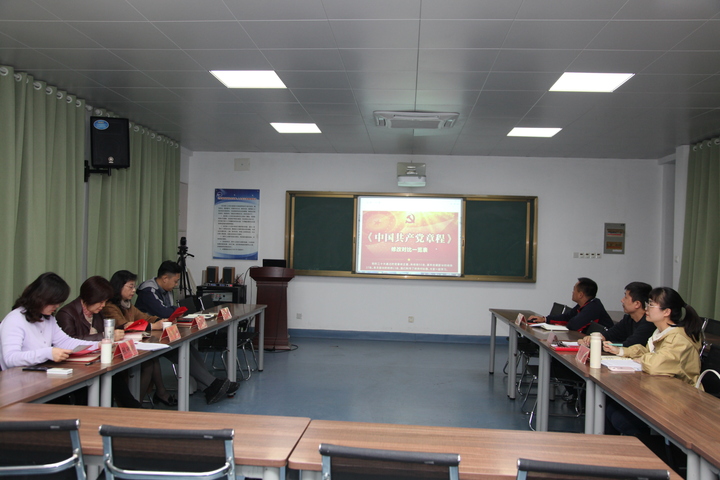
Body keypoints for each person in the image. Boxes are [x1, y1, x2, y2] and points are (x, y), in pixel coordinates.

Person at [107, 268, 239, 404]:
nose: (134, 290)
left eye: (134, 287)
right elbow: (123, 326)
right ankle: (211, 384)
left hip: (139, 343)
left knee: (185, 349)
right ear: (119, 286)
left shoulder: (128, 305)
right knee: (166, 355)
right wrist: (153, 326)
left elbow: (145, 317)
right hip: (121, 351)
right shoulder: (111, 306)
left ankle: (209, 385)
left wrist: (160, 321)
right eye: (130, 287)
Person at [603, 287, 702, 437]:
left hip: (679, 402)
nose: (646, 308)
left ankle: (650, 448)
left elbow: (656, 364)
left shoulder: (679, 339)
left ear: (666, 311)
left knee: (620, 418)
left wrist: (641, 359)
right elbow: (646, 351)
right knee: (612, 408)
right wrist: (621, 351)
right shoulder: (660, 332)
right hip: (661, 394)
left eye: (651, 304)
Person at [56, 276, 147, 409]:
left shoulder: (96, 312)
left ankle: (130, 408)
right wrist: (104, 336)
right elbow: (71, 341)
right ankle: (132, 409)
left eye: (105, 302)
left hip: (95, 360)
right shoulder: (66, 313)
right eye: (100, 302)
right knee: (111, 378)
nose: (103, 306)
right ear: (89, 297)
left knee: (114, 375)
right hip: (75, 366)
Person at [0, 273, 91, 370]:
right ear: (40, 298)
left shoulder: (47, 318)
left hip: (38, 373)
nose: (57, 306)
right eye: (54, 302)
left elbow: (65, 342)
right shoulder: (14, 319)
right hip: (16, 376)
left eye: (59, 302)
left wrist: (97, 345)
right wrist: (47, 353)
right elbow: (10, 359)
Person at [578, 282, 655, 349]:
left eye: (626, 297)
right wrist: (594, 338)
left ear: (637, 304)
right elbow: (610, 334)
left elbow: (629, 345)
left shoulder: (649, 323)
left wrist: (597, 344)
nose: (622, 300)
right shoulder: (628, 319)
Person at [529, 277, 613, 332]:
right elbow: (567, 317)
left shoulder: (593, 307)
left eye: (574, 290)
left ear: (581, 295)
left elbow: (574, 325)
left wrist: (569, 321)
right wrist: (545, 319)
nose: (572, 292)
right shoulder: (583, 305)